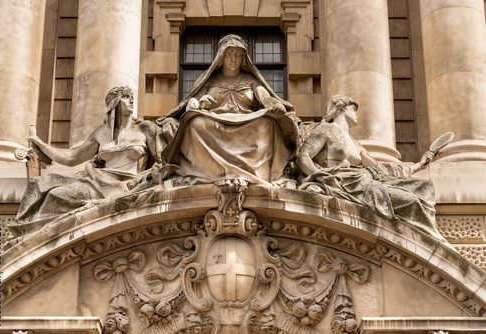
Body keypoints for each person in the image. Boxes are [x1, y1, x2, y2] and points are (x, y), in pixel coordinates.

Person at [9, 86, 176, 238]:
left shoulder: (145, 128)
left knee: (54, 194)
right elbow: (71, 158)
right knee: (53, 193)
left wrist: (148, 176)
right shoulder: (101, 132)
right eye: (126, 97)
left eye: (131, 96)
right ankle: (28, 237)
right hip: (98, 182)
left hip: (128, 185)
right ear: (114, 103)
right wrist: (40, 144)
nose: (131, 100)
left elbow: (164, 160)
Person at [296, 95, 444, 240]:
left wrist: (420, 165)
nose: (356, 114)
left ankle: (430, 241)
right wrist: (319, 175)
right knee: (410, 201)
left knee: (424, 187)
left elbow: (379, 168)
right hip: (344, 181)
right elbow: (303, 157)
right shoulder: (325, 129)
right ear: (342, 109)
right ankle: (426, 240)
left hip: (363, 180)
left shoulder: (354, 143)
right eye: (353, 109)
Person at [157, 34, 298, 186]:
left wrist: (276, 105)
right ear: (221, 57)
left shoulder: (251, 80)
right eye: (229, 55)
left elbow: (266, 98)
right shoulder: (209, 80)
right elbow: (193, 103)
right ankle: (208, 173)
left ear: (243, 58)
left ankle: (257, 174)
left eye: (237, 55)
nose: (233, 59)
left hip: (247, 122)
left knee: (267, 124)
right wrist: (200, 103)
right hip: (215, 121)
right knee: (195, 123)